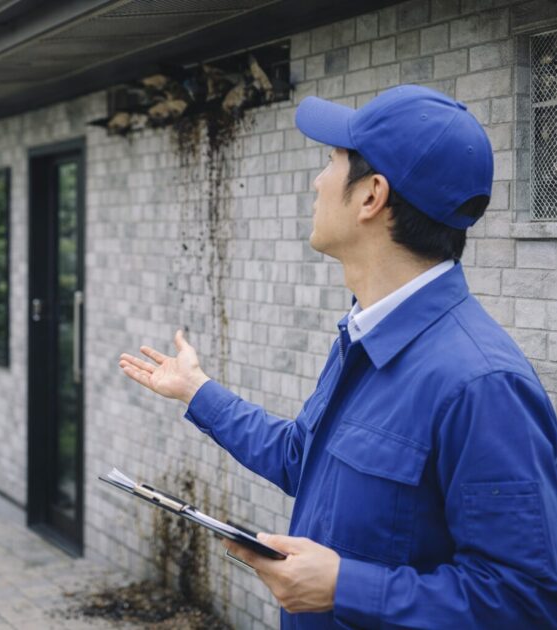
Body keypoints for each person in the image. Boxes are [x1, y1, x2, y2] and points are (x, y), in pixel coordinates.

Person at [119, 84, 557, 628]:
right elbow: (303, 458)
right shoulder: (361, 333)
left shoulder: (483, 384)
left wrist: (347, 587)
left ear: (371, 196)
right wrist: (196, 391)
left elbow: (526, 601)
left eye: (331, 161)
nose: (317, 180)